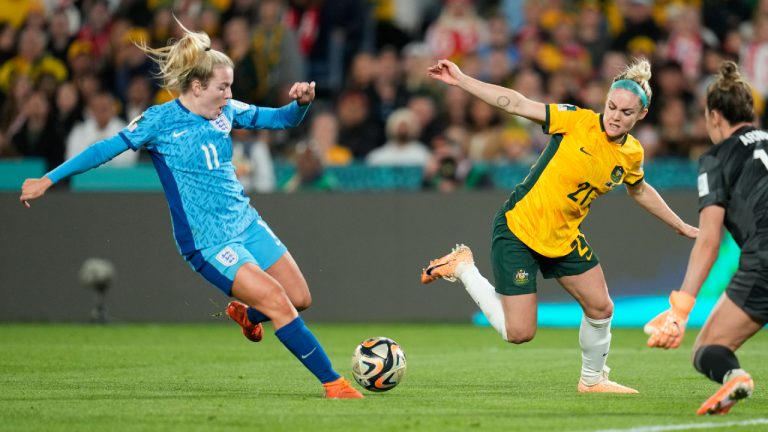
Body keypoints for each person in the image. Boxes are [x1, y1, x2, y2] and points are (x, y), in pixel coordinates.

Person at [19, 21, 362, 400]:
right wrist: (50, 178)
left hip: (246, 223)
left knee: (299, 298)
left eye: (230, 86)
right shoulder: (160, 121)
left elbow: (280, 119)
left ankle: (247, 315)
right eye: (223, 87)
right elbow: (104, 150)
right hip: (208, 241)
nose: (229, 95)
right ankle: (334, 384)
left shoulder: (226, 111)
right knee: (279, 303)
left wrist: (301, 104)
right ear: (197, 87)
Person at [420, 57, 698, 394]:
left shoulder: (631, 153)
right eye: (611, 107)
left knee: (601, 307)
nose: (615, 116)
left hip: (563, 238)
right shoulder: (575, 120)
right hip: (520, 229)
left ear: (641, 114)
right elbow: (517, 103)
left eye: (626, 112)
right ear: (606, 101)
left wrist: (680, 225)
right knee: (519, 333)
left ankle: (592, 380)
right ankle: (463, 267)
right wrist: (463, 80)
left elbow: (638, 189)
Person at [643, 61, 766, 415]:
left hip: (763, 262)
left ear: (714, 116)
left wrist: (680, 309)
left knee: (708, 350)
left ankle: (735, 377)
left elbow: (710, 241)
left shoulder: (716, 158)